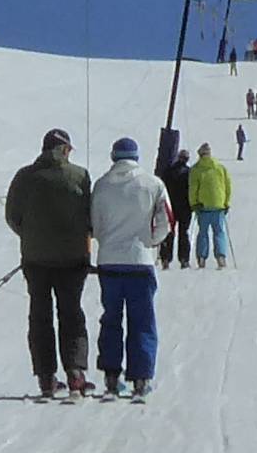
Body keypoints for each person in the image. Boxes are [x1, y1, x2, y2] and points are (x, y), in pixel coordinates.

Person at [5, 128, 93, 398]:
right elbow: (89, 214)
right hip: (73, 259)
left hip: (36, 259)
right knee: (71, 314)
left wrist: (31, 236)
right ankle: (75, 372)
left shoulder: (24, 176)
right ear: (65, 149)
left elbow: (12, 216)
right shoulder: (79, 175)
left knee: (40, 316)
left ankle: (46, 377)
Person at [92, 137, 174, 398]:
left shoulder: (102, 185)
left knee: (111, 319)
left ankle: (111, 377)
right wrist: (151, 241)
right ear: (136, 157)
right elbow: (167, 220)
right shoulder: (152, 183)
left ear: (113, 157)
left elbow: (95, 223)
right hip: (140, 261)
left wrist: (107, 241)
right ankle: (141, 378)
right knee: (142, 321)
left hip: (109, 261)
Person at [189, 143, 232, 269]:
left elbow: (193, 188)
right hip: (218, 205)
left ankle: (202, 257)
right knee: (219, 231)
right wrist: (226, 202)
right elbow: (228, 186)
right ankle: (221, 256)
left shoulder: (196, 169)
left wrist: (194, 203)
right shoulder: (220, 168)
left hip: (203, 206)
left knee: (202, 232)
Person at [159, 150, 192, 269]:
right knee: (184, 233)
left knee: (169, 232)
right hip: (185, 207)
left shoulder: (168, 171)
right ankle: (184, 259)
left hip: (170, 206)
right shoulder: (189, 173)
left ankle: (166, 258)